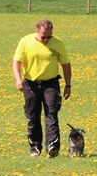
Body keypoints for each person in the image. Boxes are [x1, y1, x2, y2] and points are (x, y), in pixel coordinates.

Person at [12, 18, 72, 157]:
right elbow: (17, 62)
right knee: (33, 117)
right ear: (37, 31)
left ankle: (52, 146)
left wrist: (68, 85)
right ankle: (35, 148)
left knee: (51, 113)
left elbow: (66, 65)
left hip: (50, 84)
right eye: (43, 37)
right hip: (30, 84)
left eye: (49, 37)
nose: (46, 40)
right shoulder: (25, 42)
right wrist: (18, 79)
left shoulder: (58, 44)